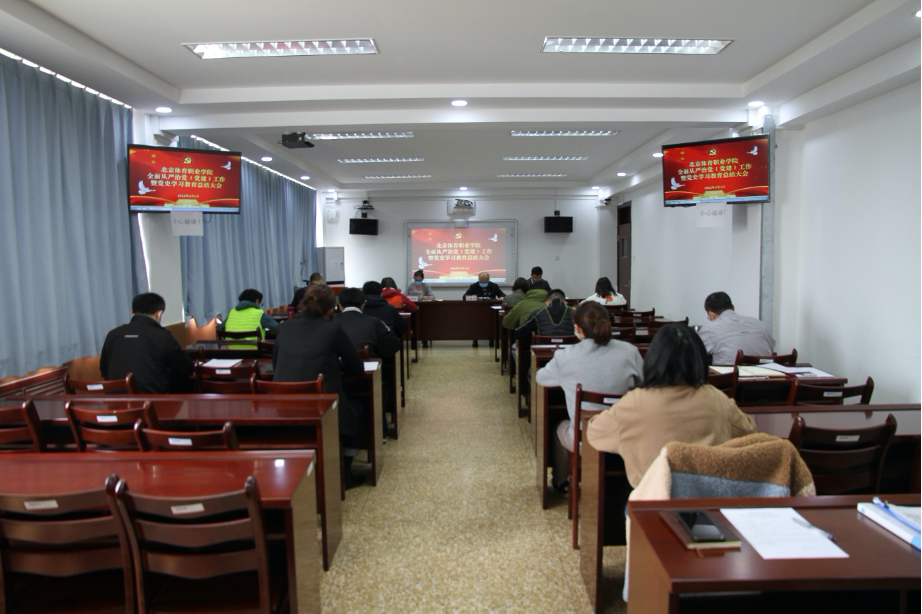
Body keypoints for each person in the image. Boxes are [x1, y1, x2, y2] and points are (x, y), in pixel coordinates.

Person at [587, 323, 757, 487]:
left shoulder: (636, 402)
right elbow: (749, 430)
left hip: (653, 500)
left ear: (653, 358)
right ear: (700, 359)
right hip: (706, 500)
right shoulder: (717, 398)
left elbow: (595, 433)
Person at [535, 302, 643, 492]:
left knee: (559, 428)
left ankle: (561, 482)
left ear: (577, 328)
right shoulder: (630, 351)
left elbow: (541, 378)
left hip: (585, 439)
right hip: (626, 437)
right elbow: (644, 385)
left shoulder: (565, 356)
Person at [273, 284, 367, 487]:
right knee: (357, 410)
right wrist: (335, 365)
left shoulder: (283, 327)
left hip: (284, 405)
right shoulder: (332, 329)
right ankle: (344, 474)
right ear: (331, 308)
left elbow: (276, 364)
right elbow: (356, 366)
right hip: (320, 403)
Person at [99, 292, 194, 393]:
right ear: (159, 314)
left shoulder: (113, 334)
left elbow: (104, 370)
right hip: (151, 399)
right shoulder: (162, 336)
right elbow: (187, 368)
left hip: (115, 399)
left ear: (132, 313)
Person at [697, 291, 775, 365]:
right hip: (766, 373)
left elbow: (694, 354)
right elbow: (771, 348)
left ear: (711, 314)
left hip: (730, 374)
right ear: (733, 307)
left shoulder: (709, 329)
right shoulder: (758, 323)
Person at [335, 288, 401, 359]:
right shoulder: (375, 322)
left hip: (334, 364)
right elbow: (394, 345)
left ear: (340, 306)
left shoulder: (329, 322)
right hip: (366, 363)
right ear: (363, 305)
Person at [464, 272, 506, 347]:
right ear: (478, 279)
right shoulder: (474, 286)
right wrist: (474, 298)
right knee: (475, 322)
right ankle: (475, 340)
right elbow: (464, 297)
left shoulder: (494, 286)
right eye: (481, 281)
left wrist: (502, 297)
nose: (483, 283)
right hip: (477, 310)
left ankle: (492, 340)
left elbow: (502, 295)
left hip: (491, 310)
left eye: (485, 282)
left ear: (488, 280)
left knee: (493, 322)